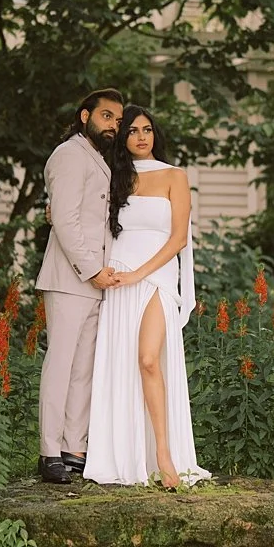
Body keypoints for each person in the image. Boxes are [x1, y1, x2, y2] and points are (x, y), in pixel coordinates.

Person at [84, 105, 208, 490]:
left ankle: (164, 454)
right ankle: (124, 454)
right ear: (123, 139)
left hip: (155, 276)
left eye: (147, 129)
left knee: (149, 359)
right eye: (133, 130)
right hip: (119, 278)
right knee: (123, 364)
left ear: (155, 135)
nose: (141, 136)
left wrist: (141, 273)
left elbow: (178, 238)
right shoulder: (114, 178)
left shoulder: (175, 176)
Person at [35, 89, 124, 485]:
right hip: (71, 278)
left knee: (83, 370)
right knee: (61, 365)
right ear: (85, 115)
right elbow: (66, 221)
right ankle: (49, 451)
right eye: (106, 117)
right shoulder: (69, 154)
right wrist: (92, 270)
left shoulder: (99, 160)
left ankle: (74, 447)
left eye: (117, 121)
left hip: (93, 281)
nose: (113, 126)